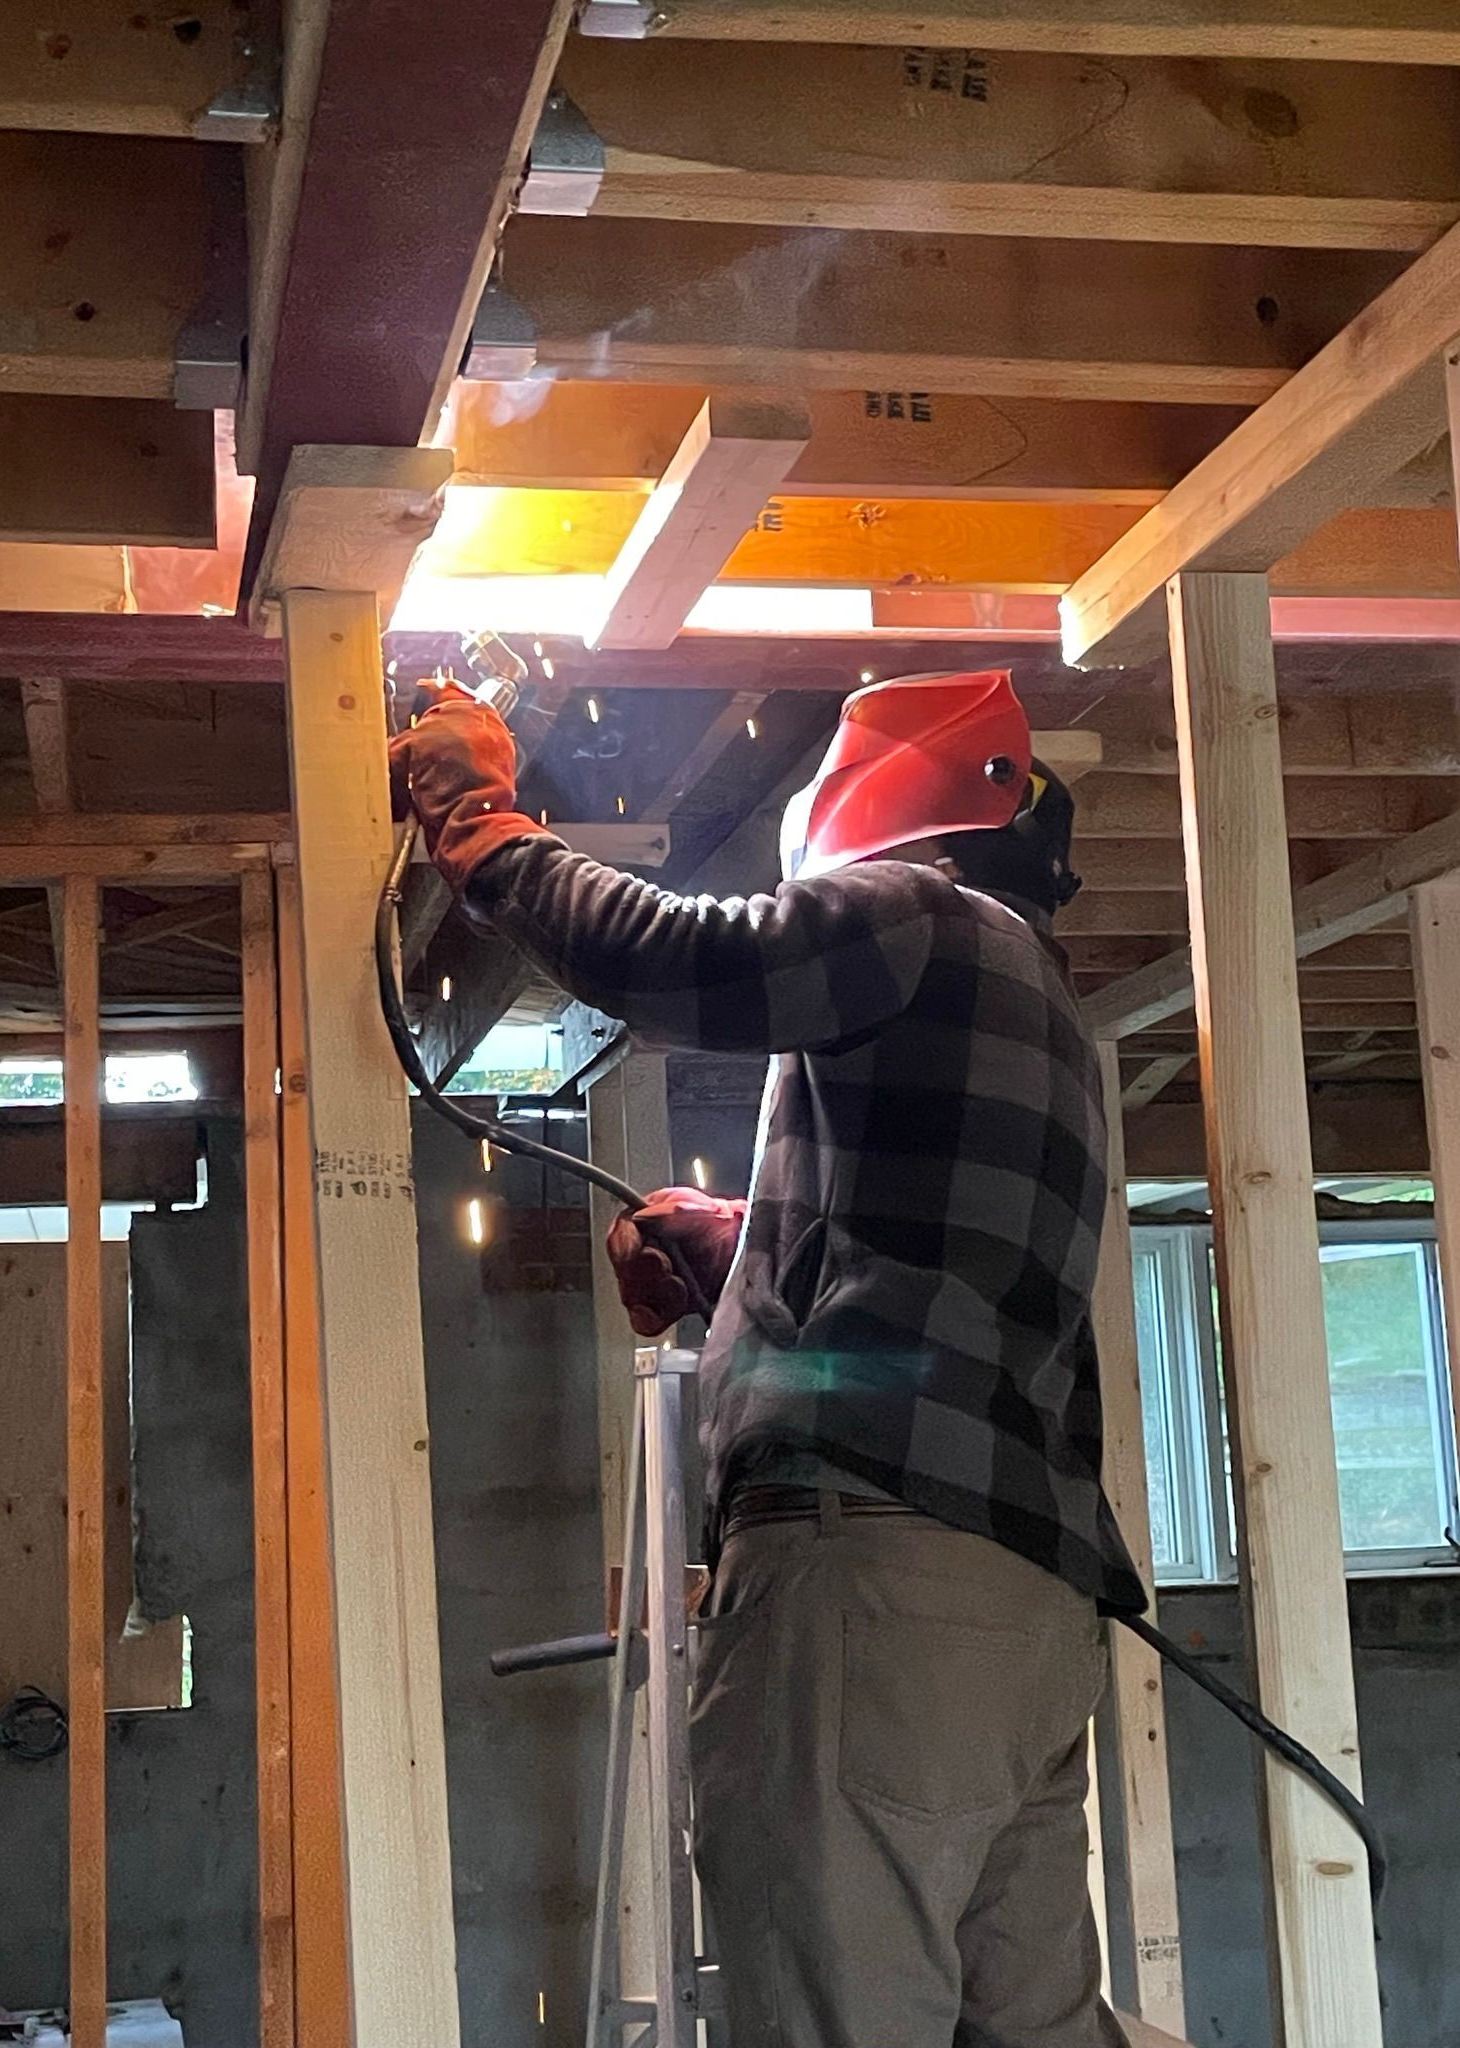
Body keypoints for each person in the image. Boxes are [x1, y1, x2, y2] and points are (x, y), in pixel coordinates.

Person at [391, 668, 1144, 2048]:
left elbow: (682, 959)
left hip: (872, 1588)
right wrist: (745, 1249)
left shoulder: (912, 910)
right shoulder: (1033, 990)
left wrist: (484, 827)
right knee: (1030, 2028)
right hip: (1020, 1609)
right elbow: (938, 1264)